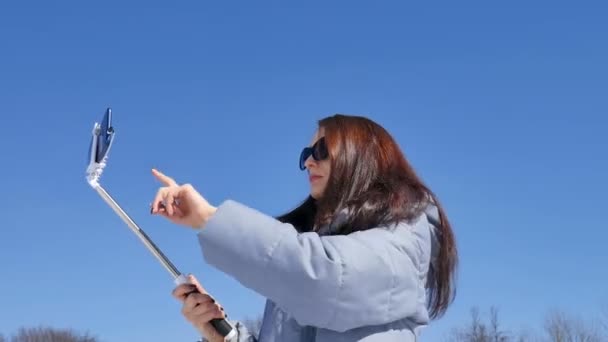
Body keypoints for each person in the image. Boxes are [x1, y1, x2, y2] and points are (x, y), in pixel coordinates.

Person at [150, 114, 458, 341]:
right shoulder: (312, 253)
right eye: (305, 155)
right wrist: (224, 333)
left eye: (321, 150)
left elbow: (327, 277)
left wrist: (209, 218)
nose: (309, 162)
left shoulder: (403, 237)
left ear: (363, 156)